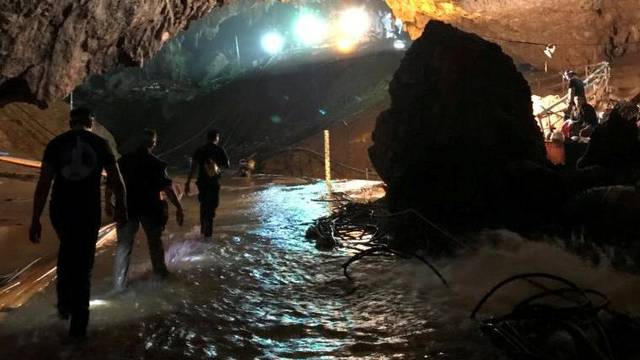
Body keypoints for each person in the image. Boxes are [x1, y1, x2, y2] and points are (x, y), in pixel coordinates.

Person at [29, 107, 127, 340]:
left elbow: (44, 184)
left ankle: (63, 307)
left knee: (67, 251)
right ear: (91, 122)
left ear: (70, 122)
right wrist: (121, 209)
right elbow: (117, 181)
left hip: (60, 210)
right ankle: (78, 331)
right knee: (83, 266)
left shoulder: (55, 143)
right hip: (87, 211)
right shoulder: (101, 144)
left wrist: (35, 219)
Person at [110, 129, 184, 292]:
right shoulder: (156, 164)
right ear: (153, 144)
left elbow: (112, 182)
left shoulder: (123, 161)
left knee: (124, 246)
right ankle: (160, 276)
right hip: (150, 209)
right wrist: (178, 207)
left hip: (127, 208)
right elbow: (168, 188)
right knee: (155, 243)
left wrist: (109, 204)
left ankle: (119, 284)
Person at [185, 130, 229, 240]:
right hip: (213, 182)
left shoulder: (200, 150)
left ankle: (202, 231)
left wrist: (188, 182)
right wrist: (216, 166)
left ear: (207, 138)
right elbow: (227, 165)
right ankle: (207, 235)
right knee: (212, 207)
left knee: (203, 206)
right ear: (216, 138)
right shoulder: (219, 150)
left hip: (201, 183)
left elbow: (193, 167)